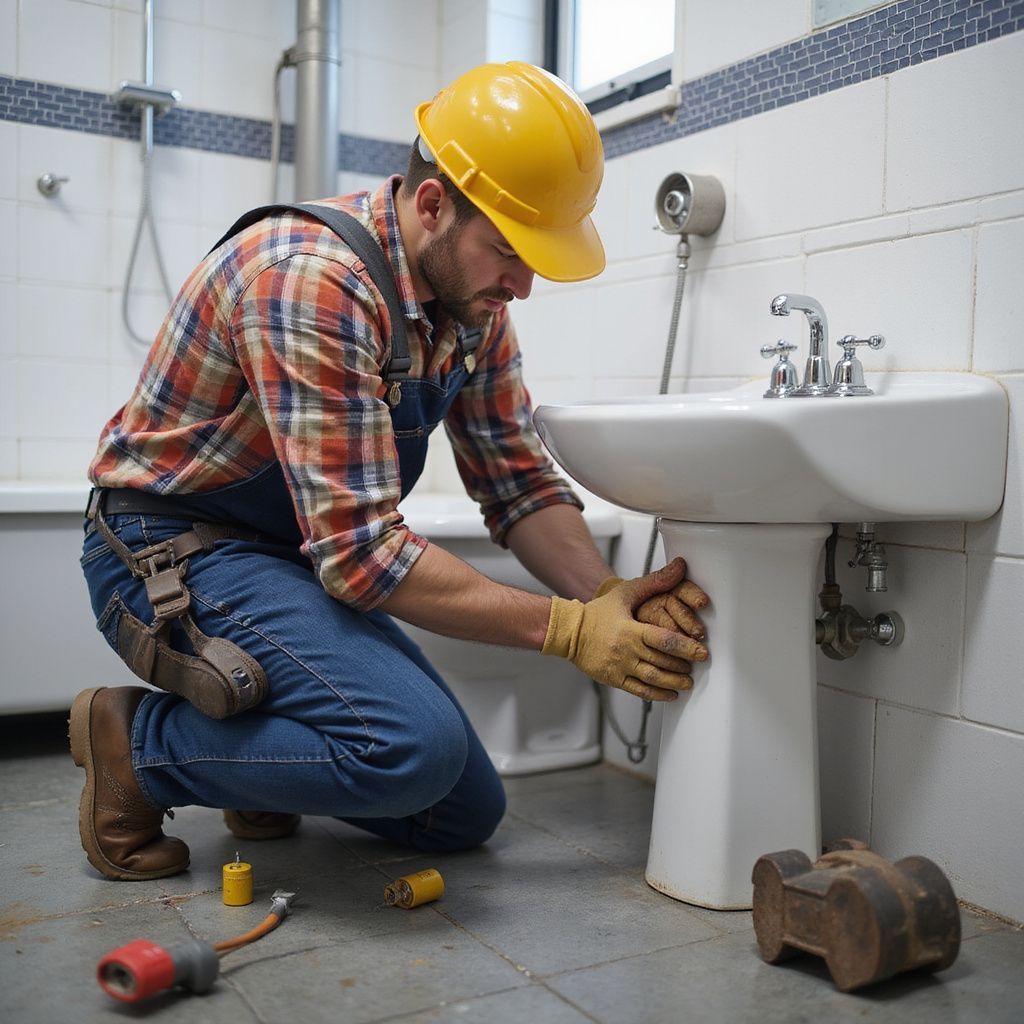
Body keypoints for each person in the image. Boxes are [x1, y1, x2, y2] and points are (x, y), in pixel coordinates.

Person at [70, 61, 710, 882]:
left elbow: (517, 485)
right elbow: (363, 556)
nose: (524, 283)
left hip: (290, 559)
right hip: (169, 548)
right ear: (434, 203)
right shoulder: (309, 279)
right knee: (409, 752)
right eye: (510, 251)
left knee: (460, 813)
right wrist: (573, 633)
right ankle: (140, 745)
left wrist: (606, 597)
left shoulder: (474, 309)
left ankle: (251, 755)